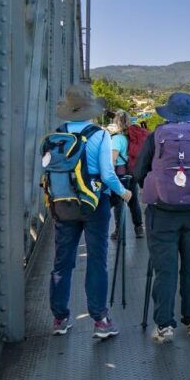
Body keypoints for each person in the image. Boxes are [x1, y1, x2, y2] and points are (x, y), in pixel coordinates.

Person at [47, 84, 131, 338]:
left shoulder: (59, 134)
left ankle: (60, 318)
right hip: (95, 204)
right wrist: (123, 192)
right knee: (97, 259)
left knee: (62, 261)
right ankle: (100, 320)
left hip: (62, 203)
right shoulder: (100, 134)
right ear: (91, 110)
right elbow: (107, 174)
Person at [134, 92, 190, 344]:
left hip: (161, 213)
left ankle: (164, 326)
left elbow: (139, 173)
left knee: (165, 268)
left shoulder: (155, 137)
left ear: (167, 113)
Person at [108, 111, 145, 239]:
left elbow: (113, 159)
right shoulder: (132, 136)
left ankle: (118, 230)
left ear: (116, 122)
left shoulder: (117, 138)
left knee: (119, 201)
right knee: (134, 201)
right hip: (132, 173)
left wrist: (109, 175)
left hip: (120, 174)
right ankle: (139, 228)